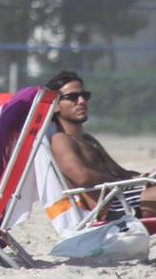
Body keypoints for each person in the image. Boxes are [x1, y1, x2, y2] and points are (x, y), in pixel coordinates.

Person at [45, 70, 155, 219]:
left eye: (85, 95)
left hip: (122, 196)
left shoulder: (88, 140)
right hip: (110, 207)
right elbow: (82, 177)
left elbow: (121, 172)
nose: (82, 101)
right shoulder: (61, 140)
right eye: (72, 97)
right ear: (56, 106)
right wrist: (118, 182)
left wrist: (147, 177)